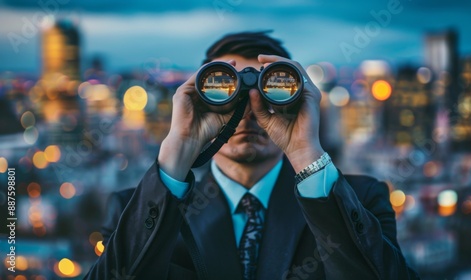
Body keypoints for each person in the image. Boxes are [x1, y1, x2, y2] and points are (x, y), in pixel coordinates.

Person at [85, 31, 419, 279]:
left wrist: (306, 153)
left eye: (268, 93)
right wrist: (177, 153)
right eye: (227, 93)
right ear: (199, 99)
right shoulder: (136, 209)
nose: (248, 111)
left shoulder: (362, 201)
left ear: (297, 98)